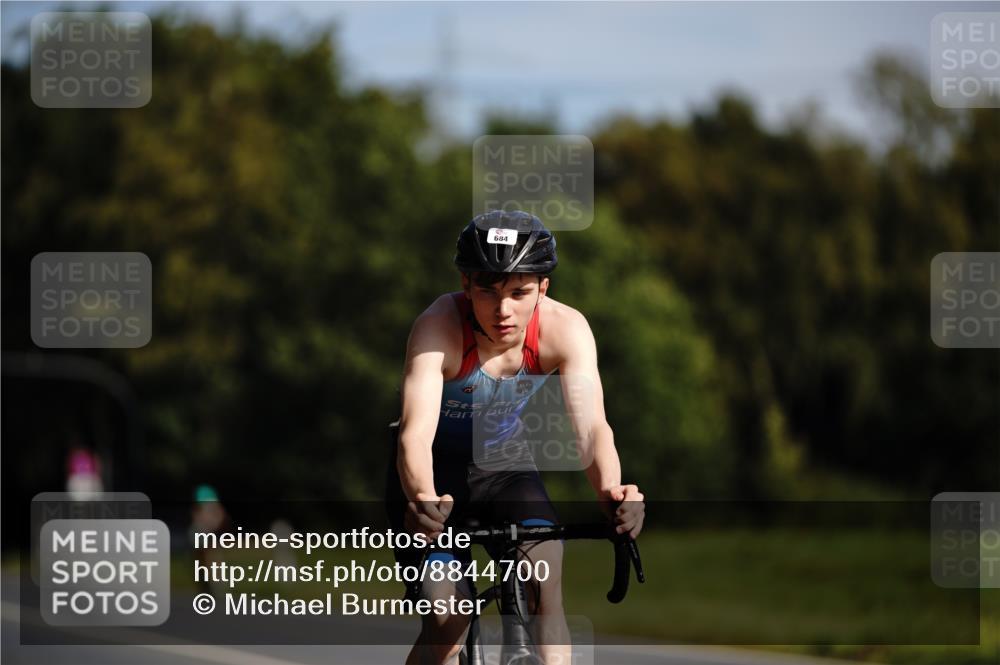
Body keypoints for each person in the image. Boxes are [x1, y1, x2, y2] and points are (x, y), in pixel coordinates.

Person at [386, 210, 645, 665]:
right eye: (488, 291)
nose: (503, 311)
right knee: (448, 623)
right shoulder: (438, 328)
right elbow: (414, 435)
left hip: (505, 467)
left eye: (519, 293)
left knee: (545, 582)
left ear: (543, 289)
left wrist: (612, 492)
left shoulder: (565, 329)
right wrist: (424, 500)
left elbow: (591, 429)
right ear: (466, 285)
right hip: (432, 479)